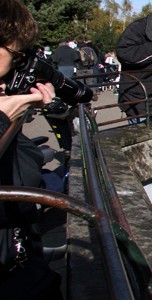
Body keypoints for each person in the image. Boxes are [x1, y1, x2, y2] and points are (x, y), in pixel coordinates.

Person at [0, 0, 63, 298]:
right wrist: (5, 117)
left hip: (19, 249)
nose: (17, 63)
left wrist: (18, 114)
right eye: (16, 53)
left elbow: (25, 164)